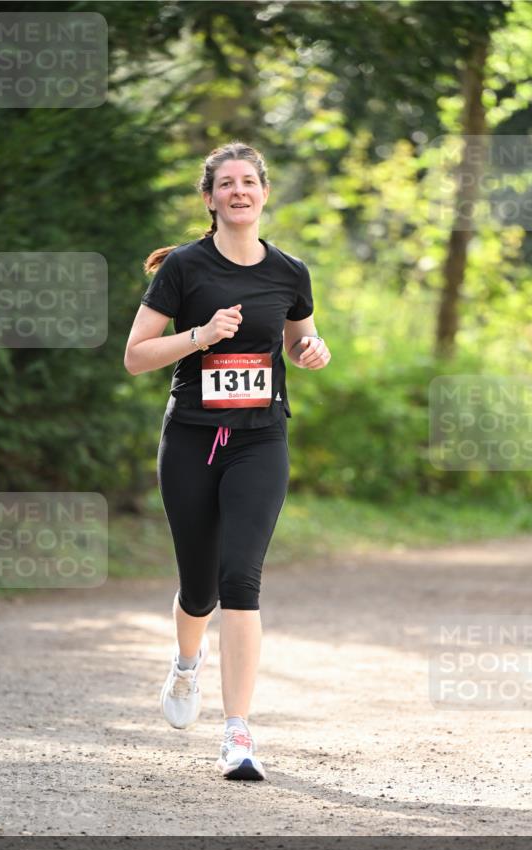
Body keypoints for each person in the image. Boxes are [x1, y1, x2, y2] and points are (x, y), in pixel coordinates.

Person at [124, 142, 331, 780]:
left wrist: (312, 349)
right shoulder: (185, 268)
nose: (239, 191)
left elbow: (299, 338)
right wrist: (201, 336)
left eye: (249, 181)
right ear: (210, 198)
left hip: (259, 439)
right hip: (190, 438)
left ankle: (237, 733)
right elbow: (136, 354)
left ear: (265, 193)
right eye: (226, 183)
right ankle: (186, 668)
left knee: (242, 578)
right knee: (199, 588)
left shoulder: (290, 272)